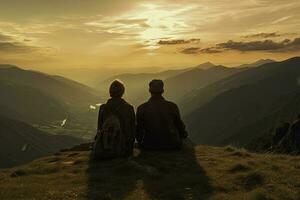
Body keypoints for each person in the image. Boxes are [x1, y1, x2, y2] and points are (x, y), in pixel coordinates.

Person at [136, 79, 188, 150]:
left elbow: (139, 130)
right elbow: (179, 125)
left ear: (149, 90)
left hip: (149, 145)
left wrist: (140, 142)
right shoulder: (172, 106)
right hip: (171, 144)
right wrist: (183, 136)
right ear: (163, 90)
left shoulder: (142, 108)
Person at [96, 80, 135, 157]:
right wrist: (130, 148)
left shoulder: (103, 108)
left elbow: (99, 129)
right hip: (123, 149)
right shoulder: (129, 108)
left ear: (110, 92)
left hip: (104, 148)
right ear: (122, 92)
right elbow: (132, 131)